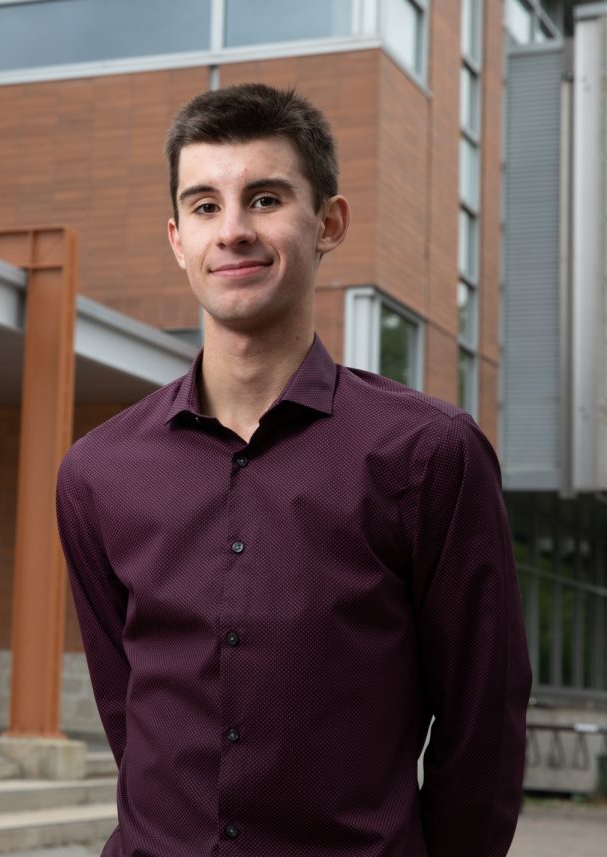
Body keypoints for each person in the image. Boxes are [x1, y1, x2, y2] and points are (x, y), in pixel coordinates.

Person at [55, 83, 531, 857]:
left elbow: (484, 723)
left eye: (266, 198)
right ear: (177, 238)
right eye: (205, 206)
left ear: (328, 223)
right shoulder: (97, 472)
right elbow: (126, 707)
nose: (233, 230)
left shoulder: (430, 454)